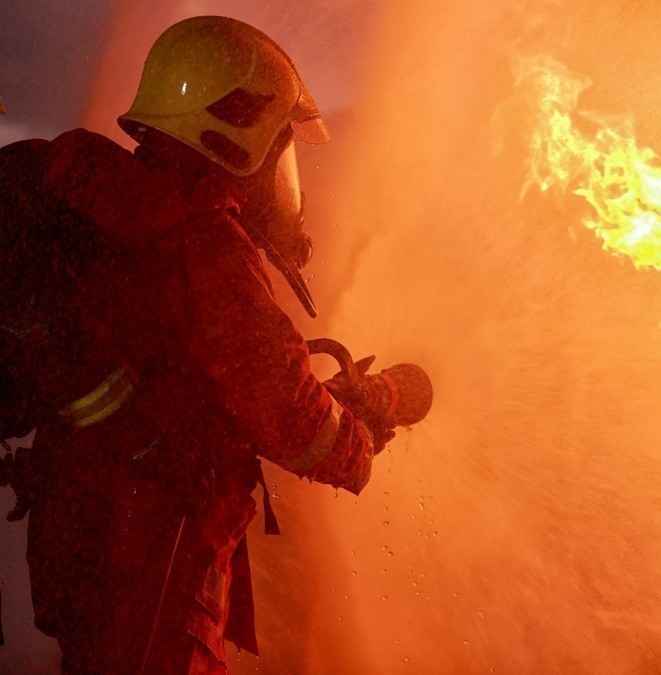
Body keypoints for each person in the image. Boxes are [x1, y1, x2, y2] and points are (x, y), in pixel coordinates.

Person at [0, 15, 432, 674]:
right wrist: (357, 433)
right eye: (279, 144)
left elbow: (190, 365)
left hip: (81, 524)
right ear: (237, 131)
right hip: (154, 544)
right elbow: (286, 410)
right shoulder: (201, 235)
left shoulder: (112, 195)